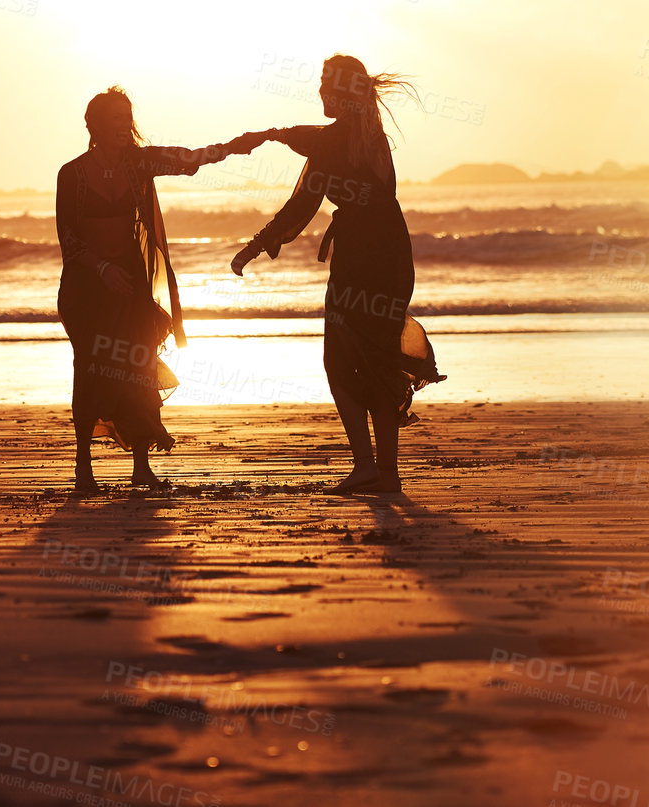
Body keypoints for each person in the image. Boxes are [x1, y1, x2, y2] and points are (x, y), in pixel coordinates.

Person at [232, 55, 444, 493]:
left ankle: (367, 466)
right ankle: (387, 472)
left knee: (340, 361)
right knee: (380, 358)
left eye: (326, 82)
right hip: (392, 252)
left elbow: (302, 205)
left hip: (362, 257)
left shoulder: (336, 140)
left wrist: (256, 245)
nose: (319, 90)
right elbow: (315, 147)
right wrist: (275, 135)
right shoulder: (371, 136)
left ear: (341, 91)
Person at [56, 87, 267, 494]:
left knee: (140, 368)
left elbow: (188, 159)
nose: (124, 125)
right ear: (94, 124)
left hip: (131, 286)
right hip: (87, 289)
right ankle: (84, 467)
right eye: (115, 118)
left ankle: (141, 466)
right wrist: (102, 270)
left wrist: (233, 147)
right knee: (91, 370)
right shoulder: (73, 173)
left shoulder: (139, 162)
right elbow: (69, 238)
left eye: (127, 117)